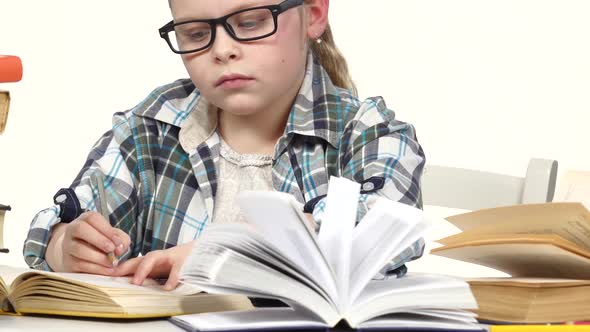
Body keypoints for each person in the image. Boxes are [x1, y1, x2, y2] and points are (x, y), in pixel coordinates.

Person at [23, 0, 426, 290]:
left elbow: (386, 228)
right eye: (196, 33)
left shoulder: (367, 132)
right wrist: (65, 245)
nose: (222, 50)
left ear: (314, 14)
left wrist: (225, 251)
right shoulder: (152, 127)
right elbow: (68, 215)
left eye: (250, 22)